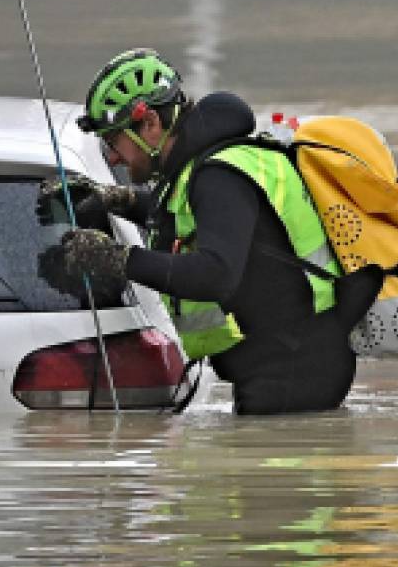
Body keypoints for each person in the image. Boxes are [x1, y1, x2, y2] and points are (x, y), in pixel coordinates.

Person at [35, 49, 356, 416]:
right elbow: (187, 220)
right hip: (288, 362)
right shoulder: (205, 168)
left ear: (150, 123)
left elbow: (215, 274)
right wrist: (117, 200)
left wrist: (119, 259)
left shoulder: (219, 176)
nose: (112, 158)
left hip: (293, 371)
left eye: (113, 141)